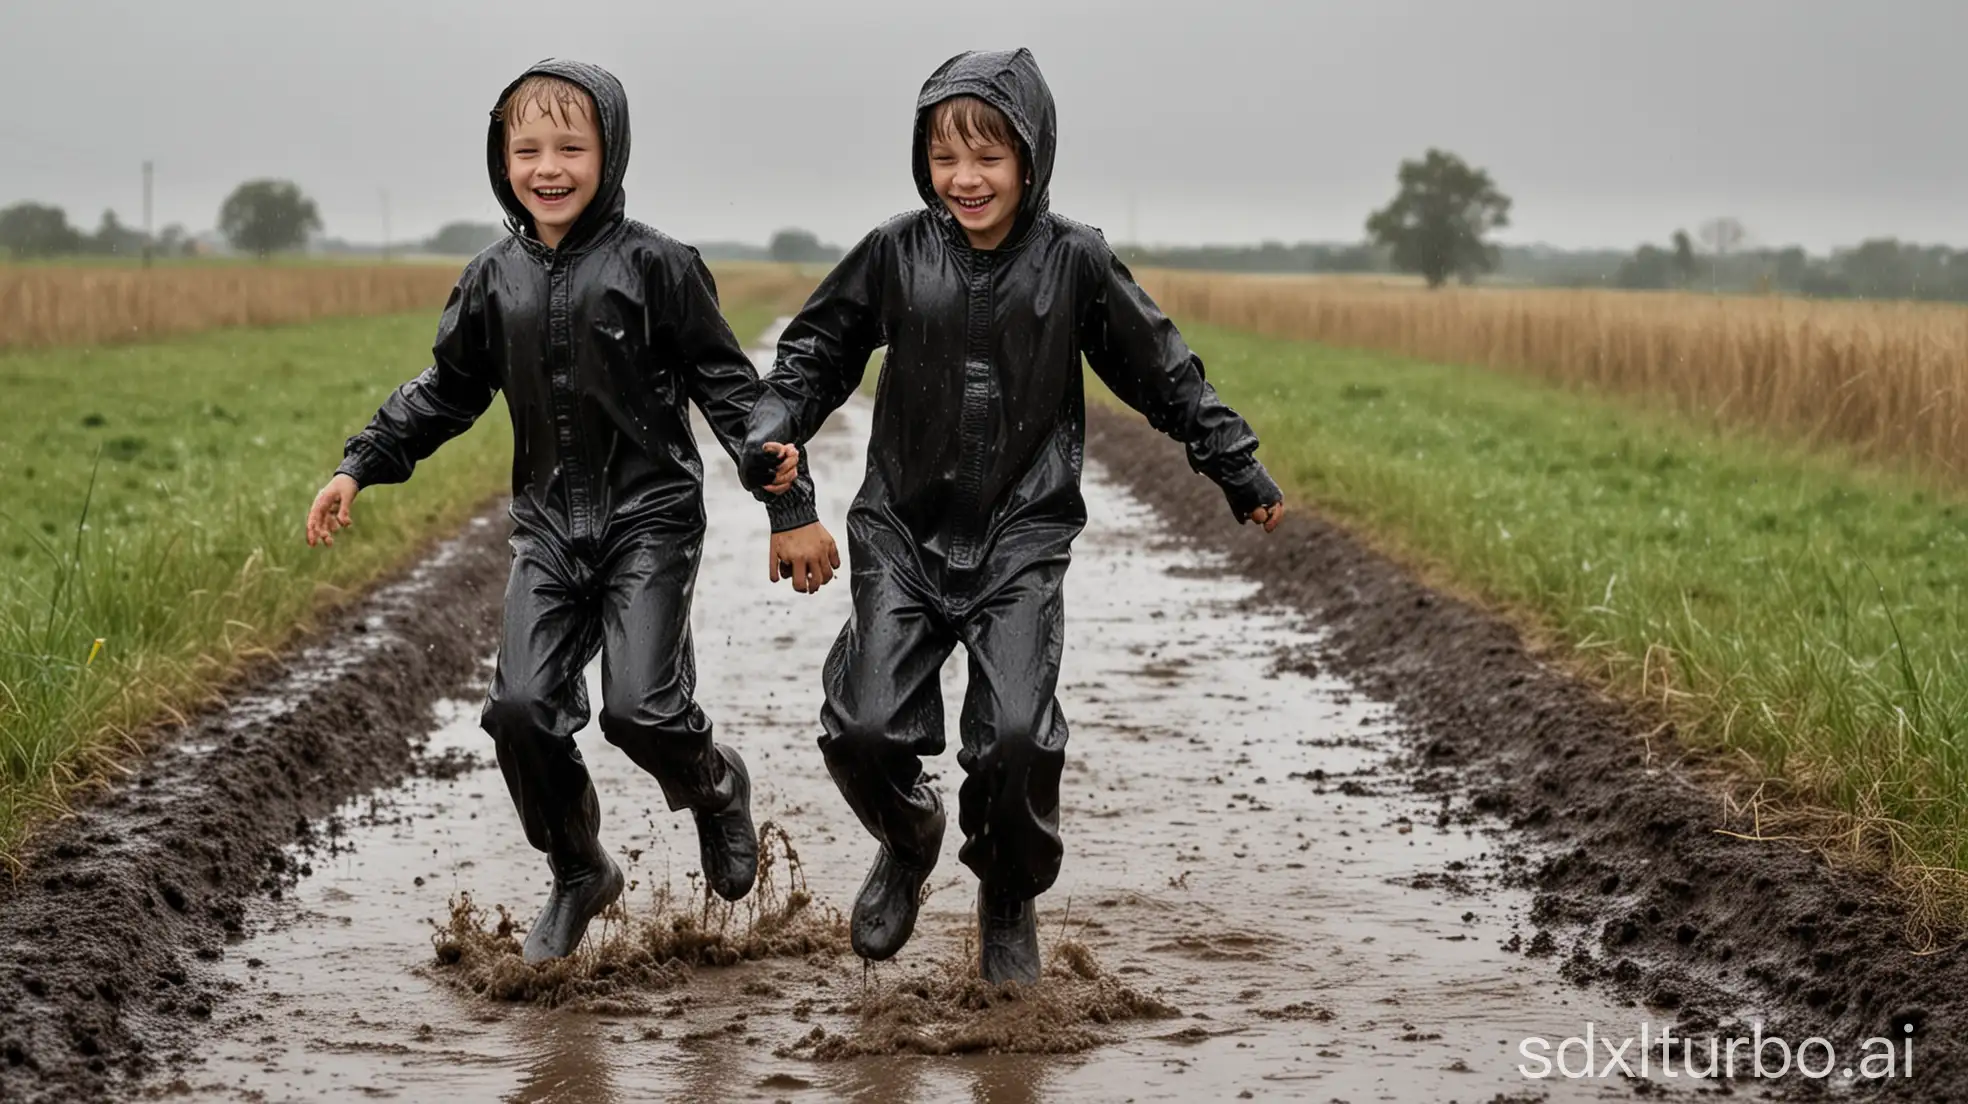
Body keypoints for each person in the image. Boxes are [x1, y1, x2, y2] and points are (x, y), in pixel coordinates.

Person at [748, 48, 1286, 985]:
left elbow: (1163, 371)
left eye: (989, 156)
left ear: (1031, 158)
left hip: (1022, 535)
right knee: (866, 728)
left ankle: (1007, 896)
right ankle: (910, 836)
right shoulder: (893, 251)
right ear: (923, 163)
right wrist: (776, 429)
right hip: (902, 531)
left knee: (1017, 739)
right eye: (946, 157)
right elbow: (813, 355)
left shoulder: (1073, 258)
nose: (966, 178)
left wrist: (1233, 463)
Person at [303, 59, 826, 963]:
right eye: (527, 148)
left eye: (571, 146)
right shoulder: (491, 278)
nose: (549, 166)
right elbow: (445, 392)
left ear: (609, 152)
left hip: (648, 519)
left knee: (641, 712)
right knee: (520, 708)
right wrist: (362, 463)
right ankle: (580, 868)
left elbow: (736, 399)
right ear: (502, 158)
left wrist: (791, 510)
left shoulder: (659, 266)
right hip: (547, 528)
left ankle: (713, 788)